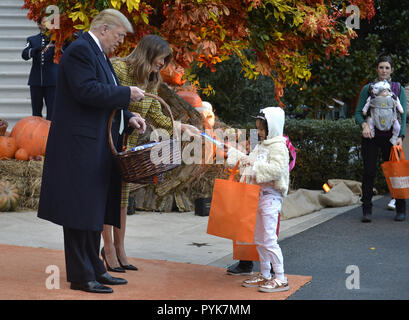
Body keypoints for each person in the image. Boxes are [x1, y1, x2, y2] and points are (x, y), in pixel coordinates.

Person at [37, 9, 147, 294]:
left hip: (93, 145)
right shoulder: (80, 51)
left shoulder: (97, 53)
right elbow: (87, 91)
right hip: (78, 147)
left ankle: (95, 267)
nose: (119, 43)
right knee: (78, 212)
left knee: (92, 211)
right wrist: (126, 94)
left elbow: (104, 90)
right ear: (104, 29)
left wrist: (127, 114)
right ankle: (81, 275)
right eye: (119, 36)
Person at [101, 34, 201, 272]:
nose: (162, 64)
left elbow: (155, 110)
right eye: (161, 59)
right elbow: (106, 101)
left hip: (129, 148)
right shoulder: (119, 69)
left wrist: (179, 127)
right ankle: (108, 249)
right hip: (108, 141)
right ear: (148, 53)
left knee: (122, 200)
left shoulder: (150, 79)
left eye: (165, 61)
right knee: (107, 199)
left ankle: (120, 248)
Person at [226, 107, 290, 293]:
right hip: (258, 196)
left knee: (269, 239)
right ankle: (265, 273)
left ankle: (280, 277)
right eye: (259, 129)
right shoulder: (262, 145)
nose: (259, 133)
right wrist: (238, 156)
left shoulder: (279, 146)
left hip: (271, 197)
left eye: (262, 129)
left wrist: (253, 165)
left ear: (273, 127)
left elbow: (277, 169)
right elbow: (250, 161)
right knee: (259, 238)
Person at [355, 55, 407, 223]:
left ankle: (401, 209)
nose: (384, 70)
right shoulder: (368, 89)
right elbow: (358, 113)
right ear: (376, 69)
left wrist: (400, 136)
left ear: (391, 70)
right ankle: (367, 209)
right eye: (381, 67)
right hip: (372, 136)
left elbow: (403, 114)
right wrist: (364, 125)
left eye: (387, 67)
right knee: (369, 172)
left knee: (395, 173)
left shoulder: (397, 88)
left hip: (391, 139)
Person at [22, 14, 58, 120]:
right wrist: (34, 50)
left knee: (52, 112)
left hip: (52, 80)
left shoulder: (58, 39)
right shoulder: (32, 40)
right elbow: (24, 55)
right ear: (39, 24)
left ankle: (50, 135)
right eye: (44, 21)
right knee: (36, 112)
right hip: (36, 80)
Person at [361, 80, 404, 145]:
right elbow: (368, 104)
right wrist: (364, 110)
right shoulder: (373, 98)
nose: (386, 92)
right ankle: (372, 131)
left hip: (391, 118)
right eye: (383, 91)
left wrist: (401, 109)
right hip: (376, 117)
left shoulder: (393, 97)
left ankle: (394, 137)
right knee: (370, 121)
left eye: (387, 90)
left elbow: (397, 103)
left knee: (397, 126)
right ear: (377, 92)